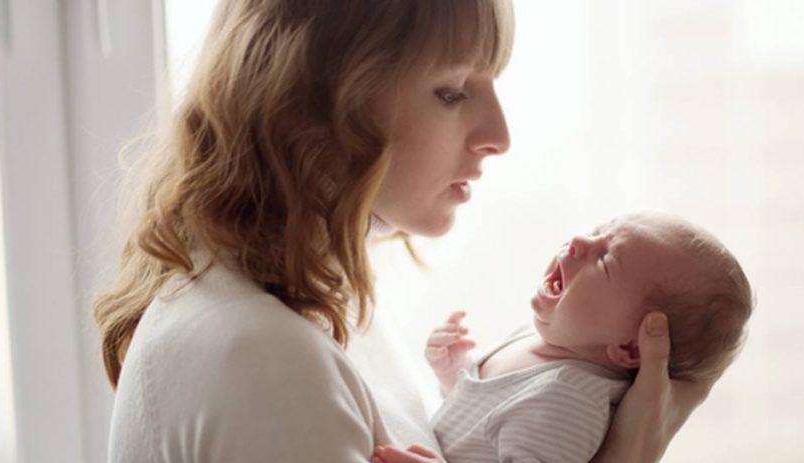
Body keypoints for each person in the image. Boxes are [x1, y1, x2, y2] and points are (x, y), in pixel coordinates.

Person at [93, 1, 716, 462]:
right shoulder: (262, 358)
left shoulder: (325, 308)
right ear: (311, 103)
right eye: (450, 92)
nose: (498, 135)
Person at [372, 213, 753, 463]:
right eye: (596, 231)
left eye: (605, 261)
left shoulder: (567, 398)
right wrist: (456, 371)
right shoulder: (537, 343)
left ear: (629, 347)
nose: (577, 242)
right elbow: (489, 419)